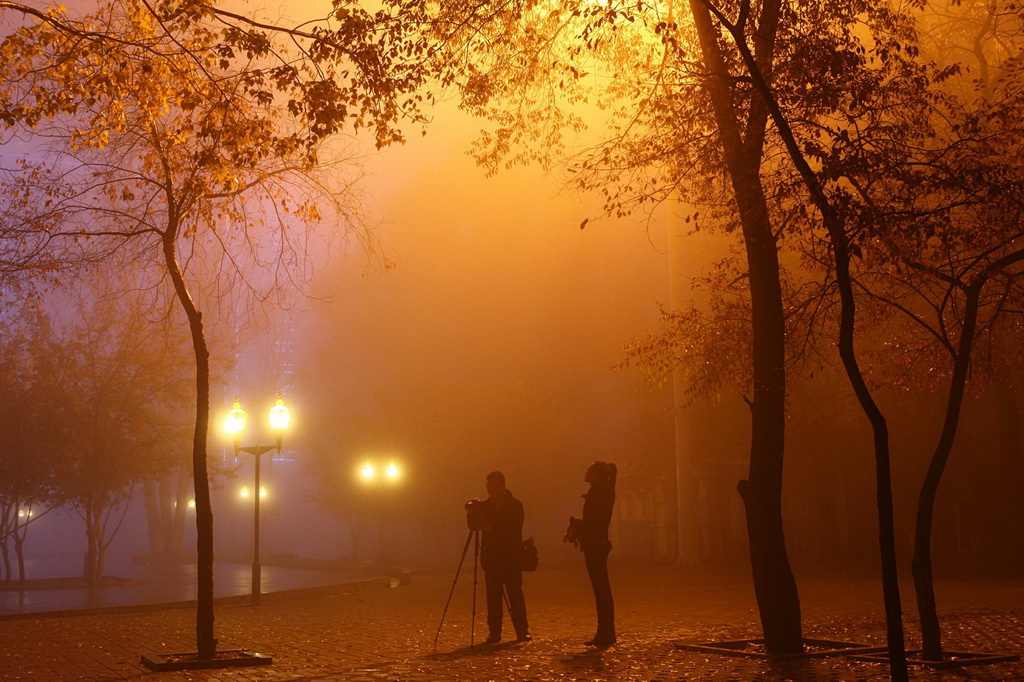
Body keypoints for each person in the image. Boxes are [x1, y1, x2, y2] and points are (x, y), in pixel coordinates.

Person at [564, 461, 617, 647]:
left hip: (595, 545)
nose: (586, 472)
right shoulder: (603, 491)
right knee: (602, 590)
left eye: (590, 470)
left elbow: (594, 523)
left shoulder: (599, 493)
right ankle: (605, 631)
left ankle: (606, 632)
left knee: (601, 590)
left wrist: (577, 526)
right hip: (598, 544)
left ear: (597, 475)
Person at [477, 470, 530, 643]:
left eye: (493, 486)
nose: (490, 490)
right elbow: (473, 524)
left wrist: (491, 528)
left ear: (503, 486)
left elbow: (514, 528)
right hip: (492, 558)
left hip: (511, 557)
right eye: (488, 487)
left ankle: (522, 630)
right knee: (492, 597)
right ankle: (494, 632)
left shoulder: (515, 505)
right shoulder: (484, 507)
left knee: (515, 594)